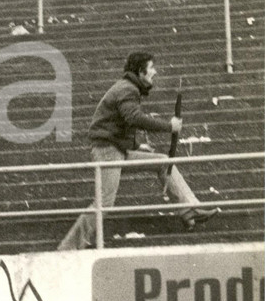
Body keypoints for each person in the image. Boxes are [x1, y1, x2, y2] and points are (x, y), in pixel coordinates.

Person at [58, 52, 220, 250]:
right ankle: (68, 248)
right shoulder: (128, 89)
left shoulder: (127, 87)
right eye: (151, 68)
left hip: (115, 149)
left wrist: (136, 146)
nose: (155, 71)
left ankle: (189, 211)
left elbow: (118, 123)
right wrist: (169, 126)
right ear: (140, 71)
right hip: (108, 151)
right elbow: (133, 118)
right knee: (105, 203)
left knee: (162, 161)